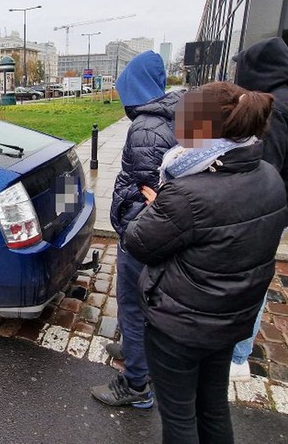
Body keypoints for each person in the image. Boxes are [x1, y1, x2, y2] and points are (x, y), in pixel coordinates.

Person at [124, 82, 288, 443]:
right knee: (213, 407)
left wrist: (157, 206)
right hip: (230, 318)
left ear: (201, 127)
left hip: (182, 324)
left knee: (180, 417)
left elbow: (139, 243)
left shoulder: (186, 192)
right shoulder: (269, 176)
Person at [91, 50, 182, 408]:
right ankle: (133, 350)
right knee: (147, 303)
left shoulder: (146, 126)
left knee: (131, 304)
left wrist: (132, 216)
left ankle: (135, 384)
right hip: (164, 234)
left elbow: (149, 189)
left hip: (141, 233)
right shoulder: (181, 112)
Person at [229, 37, 288, 381]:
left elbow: (263, 169)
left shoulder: (275, 108)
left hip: (261, 216)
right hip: (274, 210)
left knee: (249, 283)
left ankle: (237, 357)